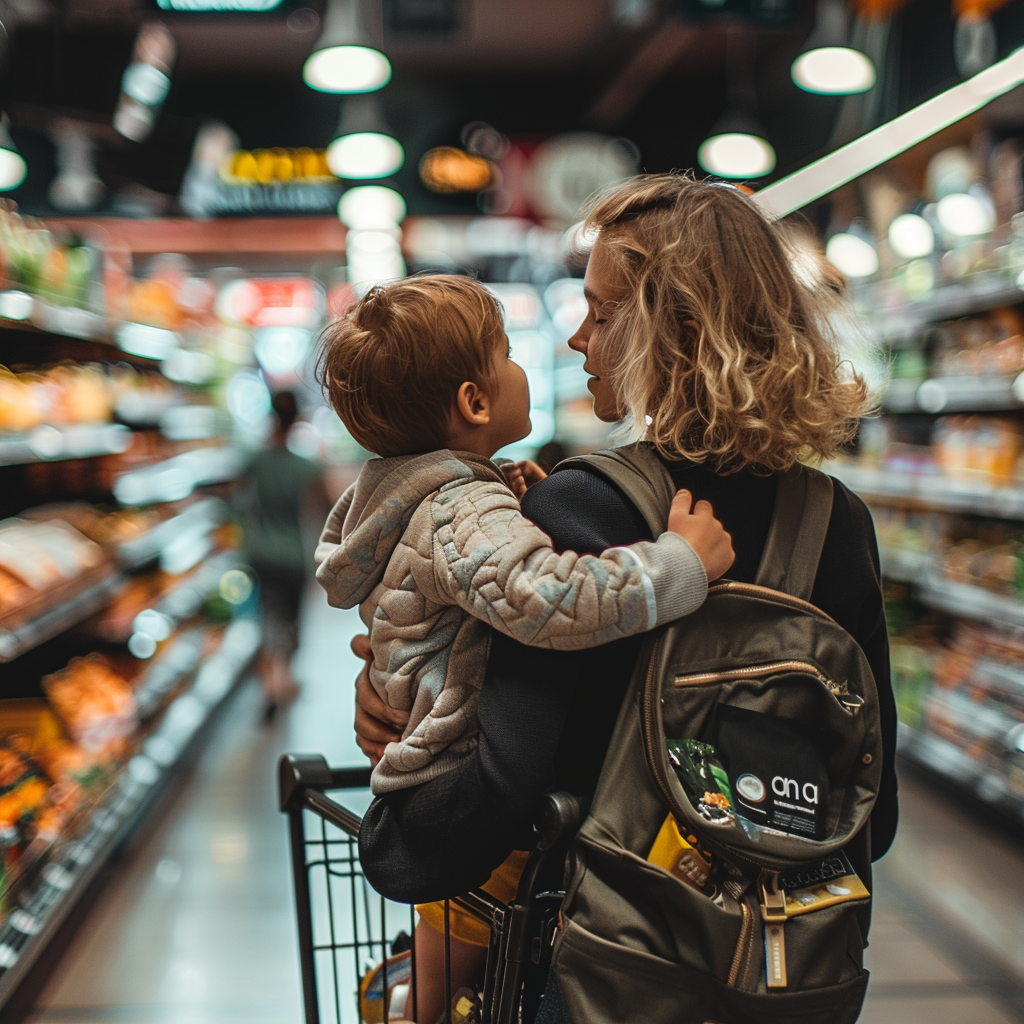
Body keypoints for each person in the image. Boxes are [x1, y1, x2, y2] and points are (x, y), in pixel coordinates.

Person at [350, 174, 900, 1023]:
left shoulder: (584, 507)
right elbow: (874, 810)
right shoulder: (839, 524)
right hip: (782, 976)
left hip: (609, 967)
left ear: (678, 335)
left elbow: (505, 779)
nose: (577, 338)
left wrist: (401, 821)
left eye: (604, 314)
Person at [313, 274, 734, 1024]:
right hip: (468, 784)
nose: (565, 344)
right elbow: (551, 601)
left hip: (434, 768)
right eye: (506, 354)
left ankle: (412, 1001)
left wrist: (508, 492)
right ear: (475, 403)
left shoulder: (408, 489)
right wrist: (680, 565)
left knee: (454, 975)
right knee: (451, 983)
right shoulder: (464, 508)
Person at [236, 389, 326, 715]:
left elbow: (236, 496)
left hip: (260, 550)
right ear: (298, 418)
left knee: (267, 616)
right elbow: (326, 507)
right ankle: (285, 677)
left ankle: (270, 680)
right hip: (294, 553)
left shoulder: (256, 460)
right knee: (292, 618)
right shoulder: (307, 467)